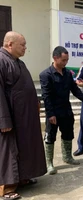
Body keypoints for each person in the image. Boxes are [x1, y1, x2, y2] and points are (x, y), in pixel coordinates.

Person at [0, 31, 47, 199]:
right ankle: (7, 189)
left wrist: (35, 102)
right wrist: (3, 119)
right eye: (23, 44)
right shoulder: (1, 61)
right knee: (10, 150)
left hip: (24, 116)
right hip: (10, 117)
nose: (25, 48)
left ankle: (22, 178)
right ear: (10, 44)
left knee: (26, 146)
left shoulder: (18, 62)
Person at [39, 46, 83, 175]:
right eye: (63, 60)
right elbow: (46, 96)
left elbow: (75, 90)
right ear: (55, 58)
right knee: (50, 137)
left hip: (66, 110)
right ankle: (49, 163)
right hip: (53, 112)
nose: (65, 63)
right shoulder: (45, 75)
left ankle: (67, 157)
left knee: (68, 134)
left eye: (67, 60)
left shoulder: (68, 73)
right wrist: (50, 114)